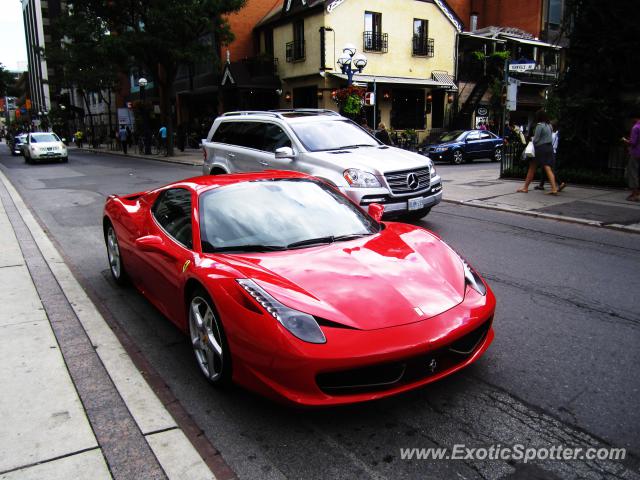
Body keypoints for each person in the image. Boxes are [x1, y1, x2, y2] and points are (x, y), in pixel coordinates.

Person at [517, 110, 559, 194]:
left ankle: (553, 189)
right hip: (549, 147)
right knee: (545, 167)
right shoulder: (549, 126)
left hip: (540, 149)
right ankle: (526, 187)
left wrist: (532, 138)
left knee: (535, 168)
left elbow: (536, 140)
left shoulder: (539, 126)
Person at [535, 123, 566, 191]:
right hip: (553, 152)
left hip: (549, 152)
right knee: (544, 169)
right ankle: (541, 185)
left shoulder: (552, 135)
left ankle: (560, 183)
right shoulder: (556, 134)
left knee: (549, 169)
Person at [622, 111, 640, 202]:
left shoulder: (635, 127)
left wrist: (625, 140)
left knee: (633, 173)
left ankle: (635, 194)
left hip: (636, 153)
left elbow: (633, 143)